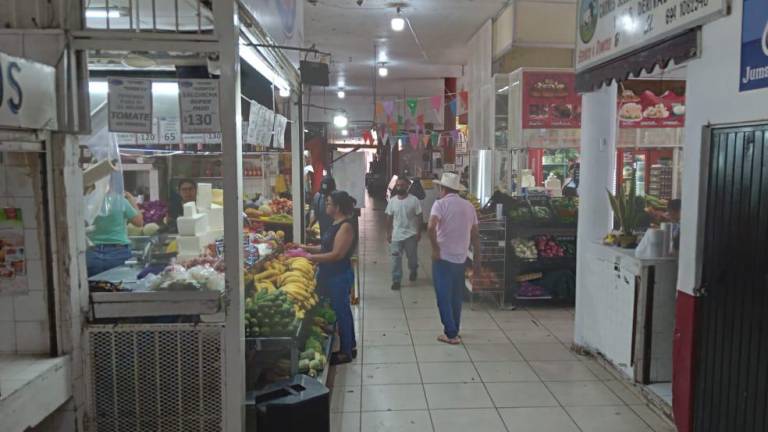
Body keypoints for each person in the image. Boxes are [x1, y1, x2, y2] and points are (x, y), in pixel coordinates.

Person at [303, 191, 358, 364]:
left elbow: (336, 254)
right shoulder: (336, 223)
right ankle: (351, 345)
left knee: (342, 312)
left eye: (328, 203)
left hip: (339, 275)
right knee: (342, 310)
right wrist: (304, 248)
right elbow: (326, 248)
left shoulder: (346, 227)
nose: (326, 205)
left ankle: (346, 352)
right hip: (331, 274)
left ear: (338, 207)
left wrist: (312, 258)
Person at [428, 172, 480, 345]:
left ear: (443, 188)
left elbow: (430, 227)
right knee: (456, 296)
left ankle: (450, 334)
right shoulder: (469, 206)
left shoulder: (440, 204)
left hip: (443, 257)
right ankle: (455, 329)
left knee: (443, 296)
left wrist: (435, 249)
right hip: (461, 257)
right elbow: (475, 234)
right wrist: (478, 258)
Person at [87, 192, 144, 276]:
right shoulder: (120, 201)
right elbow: (139, 222)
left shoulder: (88, 203)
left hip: (92, 254)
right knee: (119, 286)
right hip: (118, 253)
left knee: (93, 287)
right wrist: (132, 201)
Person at [386, 176, 423, 290]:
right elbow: (389, 217)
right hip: (396, 235)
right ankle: (396, 280)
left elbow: (419, 216)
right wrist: (389, 233)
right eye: (398, 185)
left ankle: (413, 269)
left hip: (411, 234)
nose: (400, 187)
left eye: (402, 185)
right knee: (396, 259)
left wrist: (418, 232)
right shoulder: (392, 201)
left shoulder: (414, 200)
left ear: (407, 186)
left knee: (412, 258)